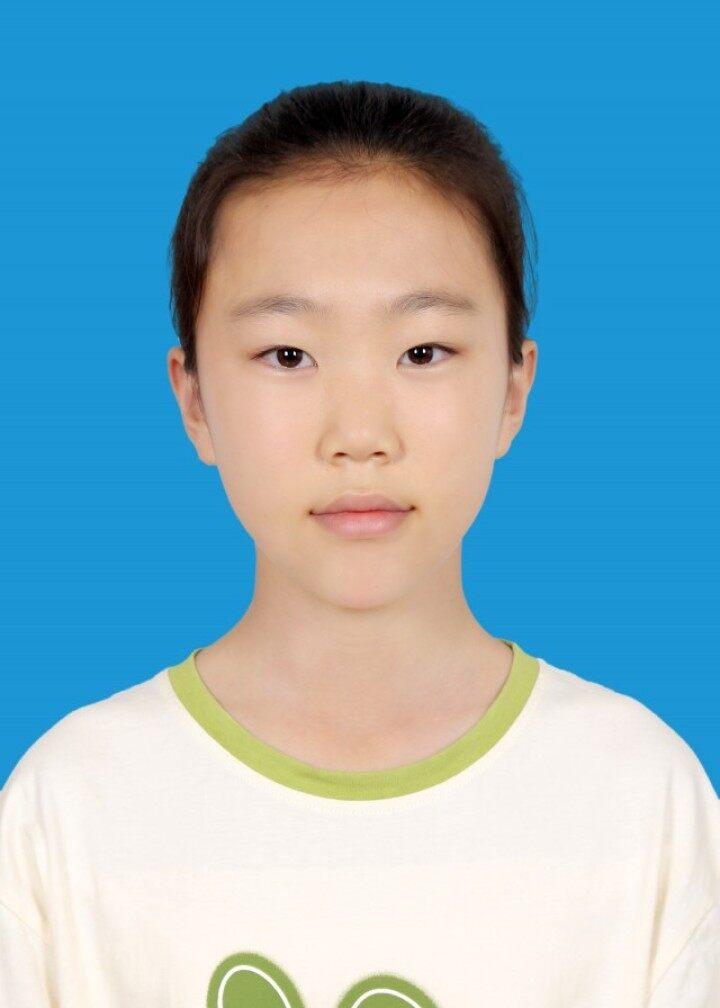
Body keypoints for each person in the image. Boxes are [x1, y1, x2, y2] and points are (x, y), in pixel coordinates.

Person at [1, 80, 718, 1007]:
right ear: (194, 399)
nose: (359, 434)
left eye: (423, 352)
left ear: (513, 388)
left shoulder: (641, 797)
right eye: (288, 356)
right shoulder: (71, 806)